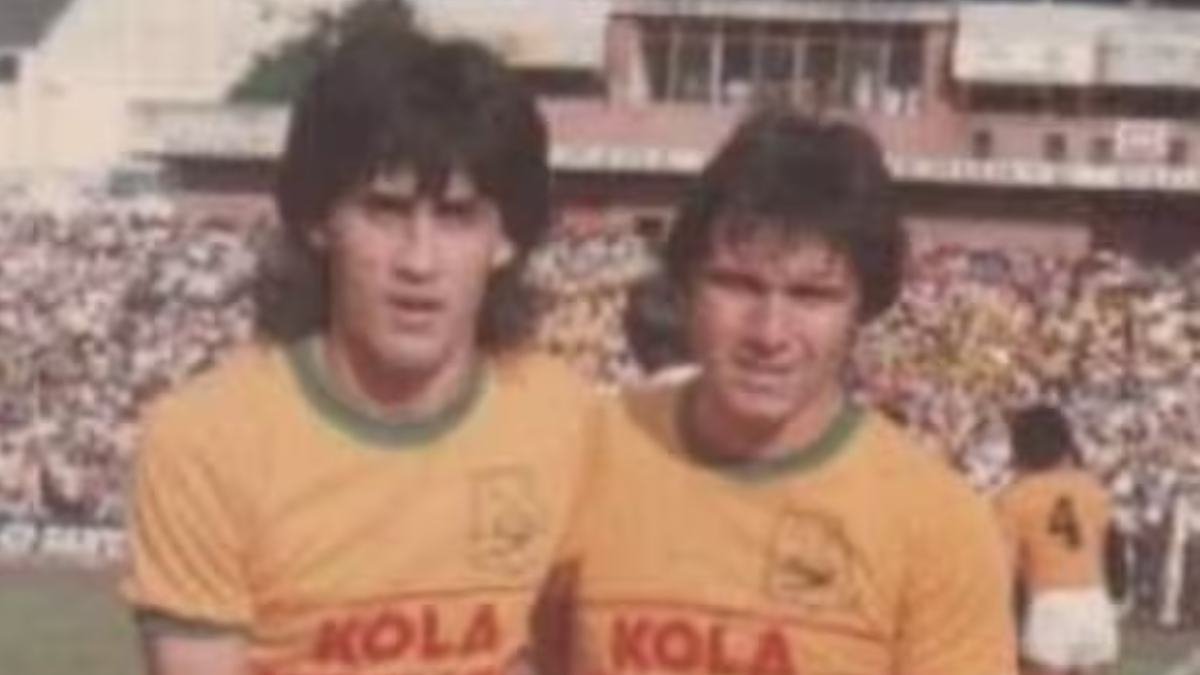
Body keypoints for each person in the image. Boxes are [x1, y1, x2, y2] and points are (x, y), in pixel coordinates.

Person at [123, 23, 595, 675]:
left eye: (456, 217)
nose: (418, 261)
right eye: (384, 210)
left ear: (506, 239)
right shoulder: (205, 442)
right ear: (319, 221)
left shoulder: (564, 417)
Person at [549, 109, 1018, 675]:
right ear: (686, 288)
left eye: (812, 295)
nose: (769, 333)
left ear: (862, 308)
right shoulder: (582, 457)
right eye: (737, 284)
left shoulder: (939, 524)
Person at [997, 405, 1121, 675]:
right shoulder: (1092, 489)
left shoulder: (1014, 498)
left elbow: (1003, 571)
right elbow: (1113, 553)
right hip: (1095, 602)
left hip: (1049, 604)